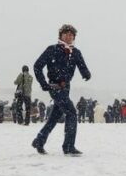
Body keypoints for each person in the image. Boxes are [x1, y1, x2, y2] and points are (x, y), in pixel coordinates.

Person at [32, 24, 91, 155]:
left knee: (54, 117)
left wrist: (86, 73)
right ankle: (68, 146)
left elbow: (82, 66)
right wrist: (44, 83)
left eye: (71, 35)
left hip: (66, 88)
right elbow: (37, 66)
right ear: (61, 36)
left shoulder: (75, 52)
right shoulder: (52, 50)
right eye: (66, 34)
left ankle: (39, 140)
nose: (69, 37)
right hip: (54, 87)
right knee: (71, 113)